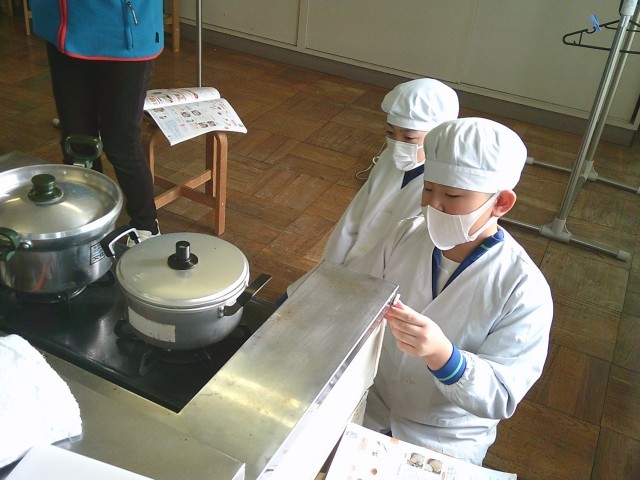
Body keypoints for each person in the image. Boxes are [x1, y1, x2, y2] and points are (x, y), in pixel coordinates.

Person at [347, 117, 553, 465]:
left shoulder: (522, 288)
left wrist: (445, 357)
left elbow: (502, 395)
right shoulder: (406, 235)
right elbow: (360, 295)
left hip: (444, 437)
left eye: (453, 196)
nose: (434, 205)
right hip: (373, 405)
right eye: (428, 189)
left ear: (501, 203)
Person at [30, 1, 164, 242]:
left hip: (122, 30)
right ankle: (89, 223)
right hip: (62, 28)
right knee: (77, 143)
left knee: (120, 143)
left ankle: (147, 226)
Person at [323, 78, 459, 265]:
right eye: (390, 133)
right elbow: (354, 217)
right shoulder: (388, 159)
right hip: (352, 263)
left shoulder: (448, 184)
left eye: (409, 137)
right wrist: (331, 264)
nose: (397, 144)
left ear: (439, 136)